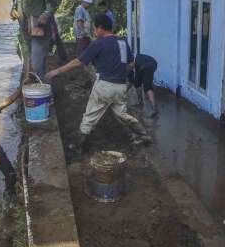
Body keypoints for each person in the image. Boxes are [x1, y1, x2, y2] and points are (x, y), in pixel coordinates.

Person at [46, 14, 151, 152]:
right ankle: (144, 135)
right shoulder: (123, 42)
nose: (94, 31)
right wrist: (119, 73)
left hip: (104, 86)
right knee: (122, 114)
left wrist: (57, 71)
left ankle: (78, 146)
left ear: (100, 28)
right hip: (120, 87)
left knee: (89, 117)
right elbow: (131, 64)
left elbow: (78, 61)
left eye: (95, 28)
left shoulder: (98, 44)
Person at [3, 0, 62, 78]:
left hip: (39, 33)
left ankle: (45, 92)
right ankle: (33, 87)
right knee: (29, 64)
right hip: (25, 34)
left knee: (37, 65)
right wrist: (12, 11)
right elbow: (15, 7)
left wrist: (46, 14)